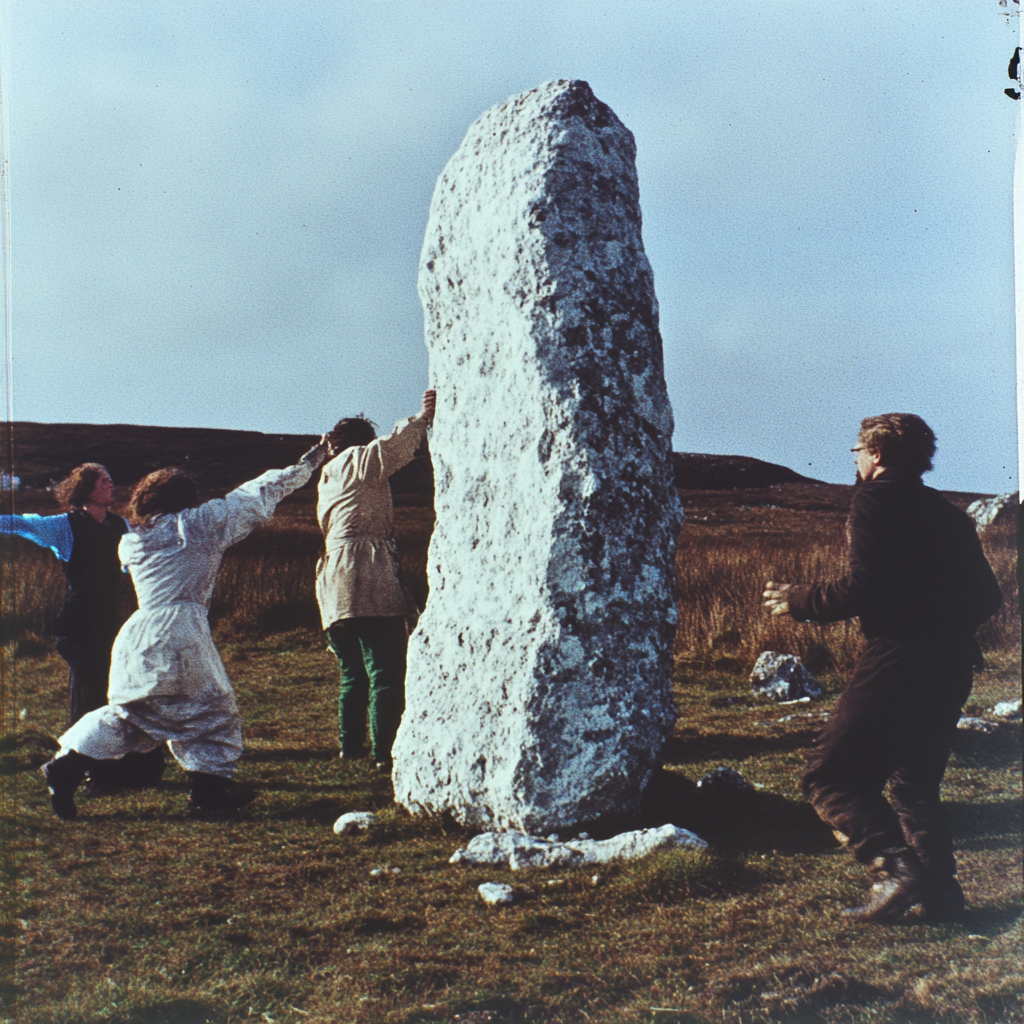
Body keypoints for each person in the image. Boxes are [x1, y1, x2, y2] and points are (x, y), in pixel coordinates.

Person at [763, 414, 1002, 923]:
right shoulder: (949, 513)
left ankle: (893, 870)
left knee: (829, 778)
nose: (853, 459)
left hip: (898, 656)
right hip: (953, 660)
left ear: (876, 454)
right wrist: (940, 623)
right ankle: (940, 896)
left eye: (856, 450)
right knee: (914, 784)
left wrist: (801, 599)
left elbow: (865, 588)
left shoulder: (874, 499)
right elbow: (987, 596)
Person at [40, 439, 329, 820]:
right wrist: (311, 460)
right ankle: (206, 792)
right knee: (214, 710)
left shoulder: (132, 540)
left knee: (131, 713)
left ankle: (67, 766)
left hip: (140, 633)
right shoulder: (198, 525)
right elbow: (255, 493)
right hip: (181, 631)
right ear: (187, 498)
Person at [0, 463, 164, 789]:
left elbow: (141, 559)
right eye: (104, 480)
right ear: (86, 488)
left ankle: (112, 766)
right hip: (76, 626)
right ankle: (78, 769)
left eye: (111, 479)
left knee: (112, 692)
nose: (111, 485)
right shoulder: (65, 526)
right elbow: (21, 524)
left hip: (110, 625)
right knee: (87, 696)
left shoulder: (121, 526)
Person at [316, 389, 435, 771]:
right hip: (366, 572)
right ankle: (384, 753)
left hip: (333, 578)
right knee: (385, 668)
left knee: (352, 670)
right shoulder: (358, 460)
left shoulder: (327, 474)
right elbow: (394, 448)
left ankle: (348, 748)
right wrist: (421, 417)